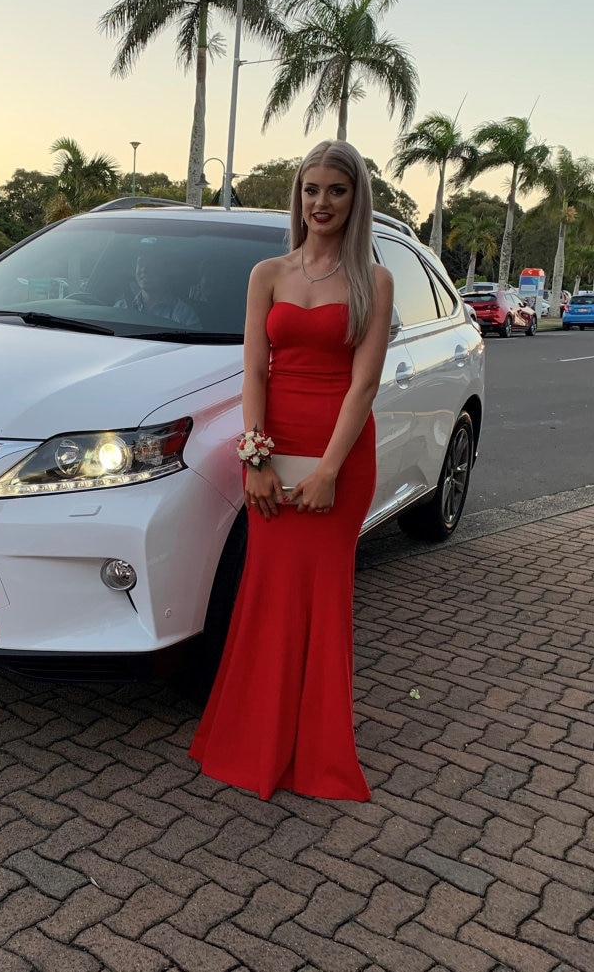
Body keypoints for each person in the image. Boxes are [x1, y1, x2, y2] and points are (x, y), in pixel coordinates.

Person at [188, 139, 393, 801]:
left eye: (336, 190)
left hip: (340, 454)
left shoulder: (374, 281)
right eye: (311, 189)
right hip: (272, 452)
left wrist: (331, 469)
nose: (321, 202)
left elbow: (364, 385)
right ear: (297, 196)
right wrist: (255, 457)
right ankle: (255, 740)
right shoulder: (267, 274)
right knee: (266, 596)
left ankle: (316, 752)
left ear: (355, 198)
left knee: (322, 599)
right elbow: (252, 370)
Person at [115, 248, 202, 329]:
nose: (144, 270)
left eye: (152, 265)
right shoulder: (121, 307)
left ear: (166, 271)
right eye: (140, 264)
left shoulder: (184, 316)